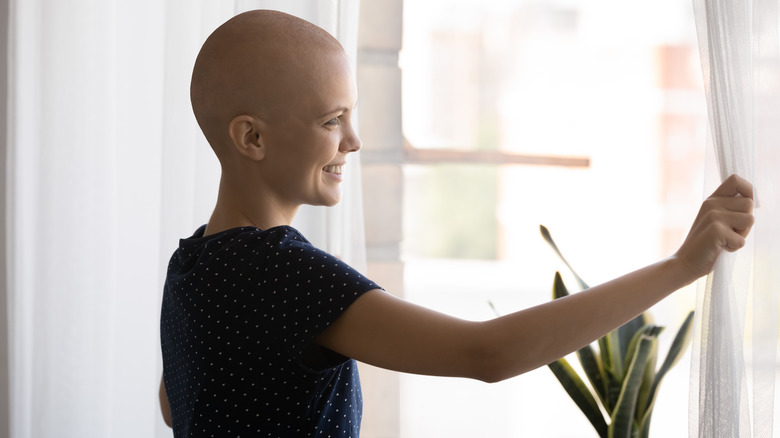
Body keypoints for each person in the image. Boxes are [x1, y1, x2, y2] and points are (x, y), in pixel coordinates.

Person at [159, 9, 755, 437]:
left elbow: (172, 402)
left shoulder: (192, 265)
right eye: (332, 119)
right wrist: (681, 267)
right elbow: (485, 354)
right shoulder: (283, 272)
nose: (355, 140)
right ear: (253, 137)